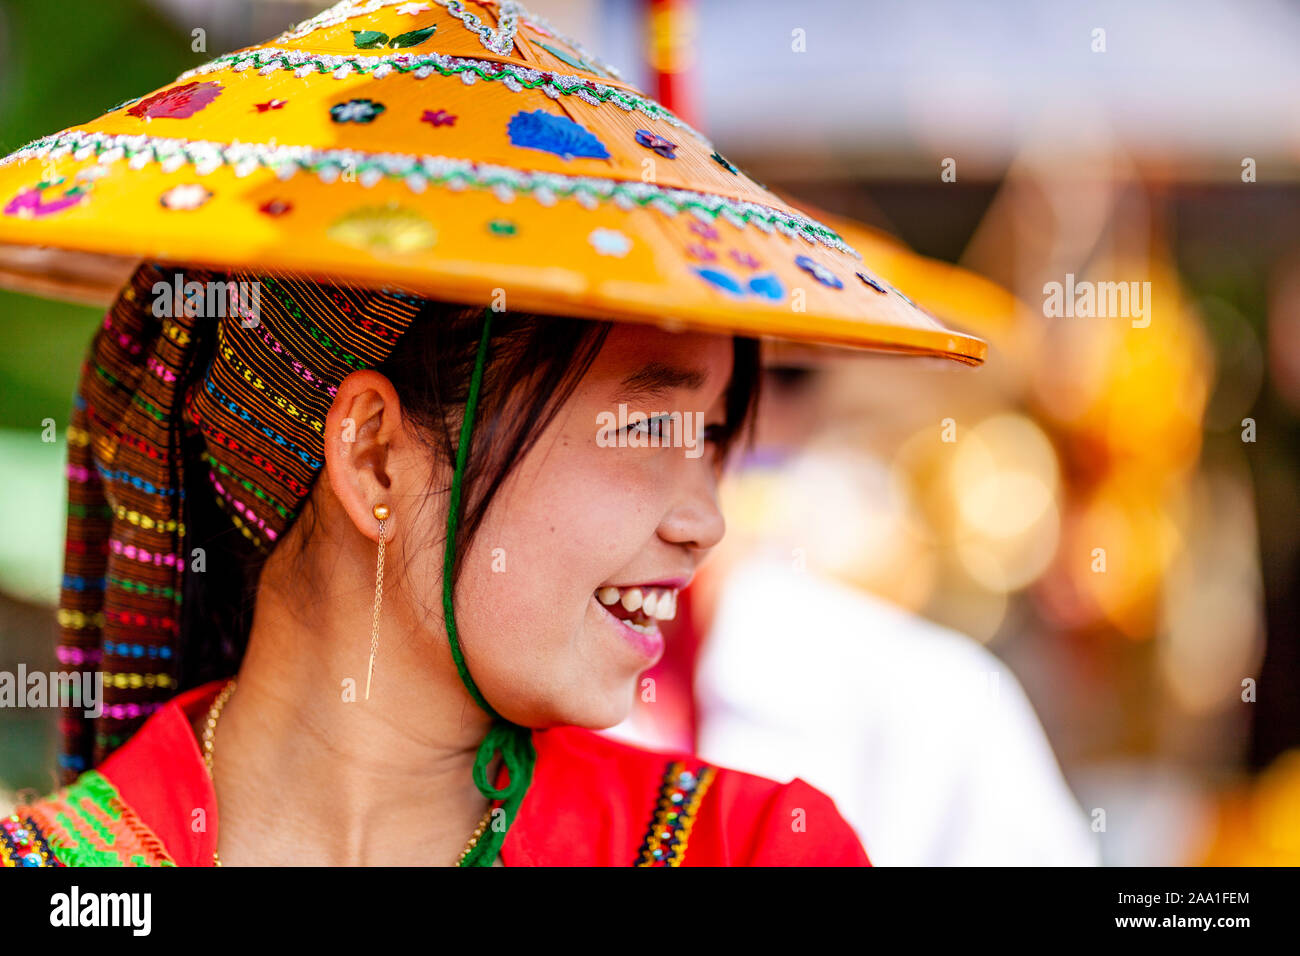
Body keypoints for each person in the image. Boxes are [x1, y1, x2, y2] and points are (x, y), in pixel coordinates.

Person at [0, 0, 984, 867]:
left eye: (711, 439)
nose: (703, 522)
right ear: (374, 454)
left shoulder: (748, 848)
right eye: (647, 424)